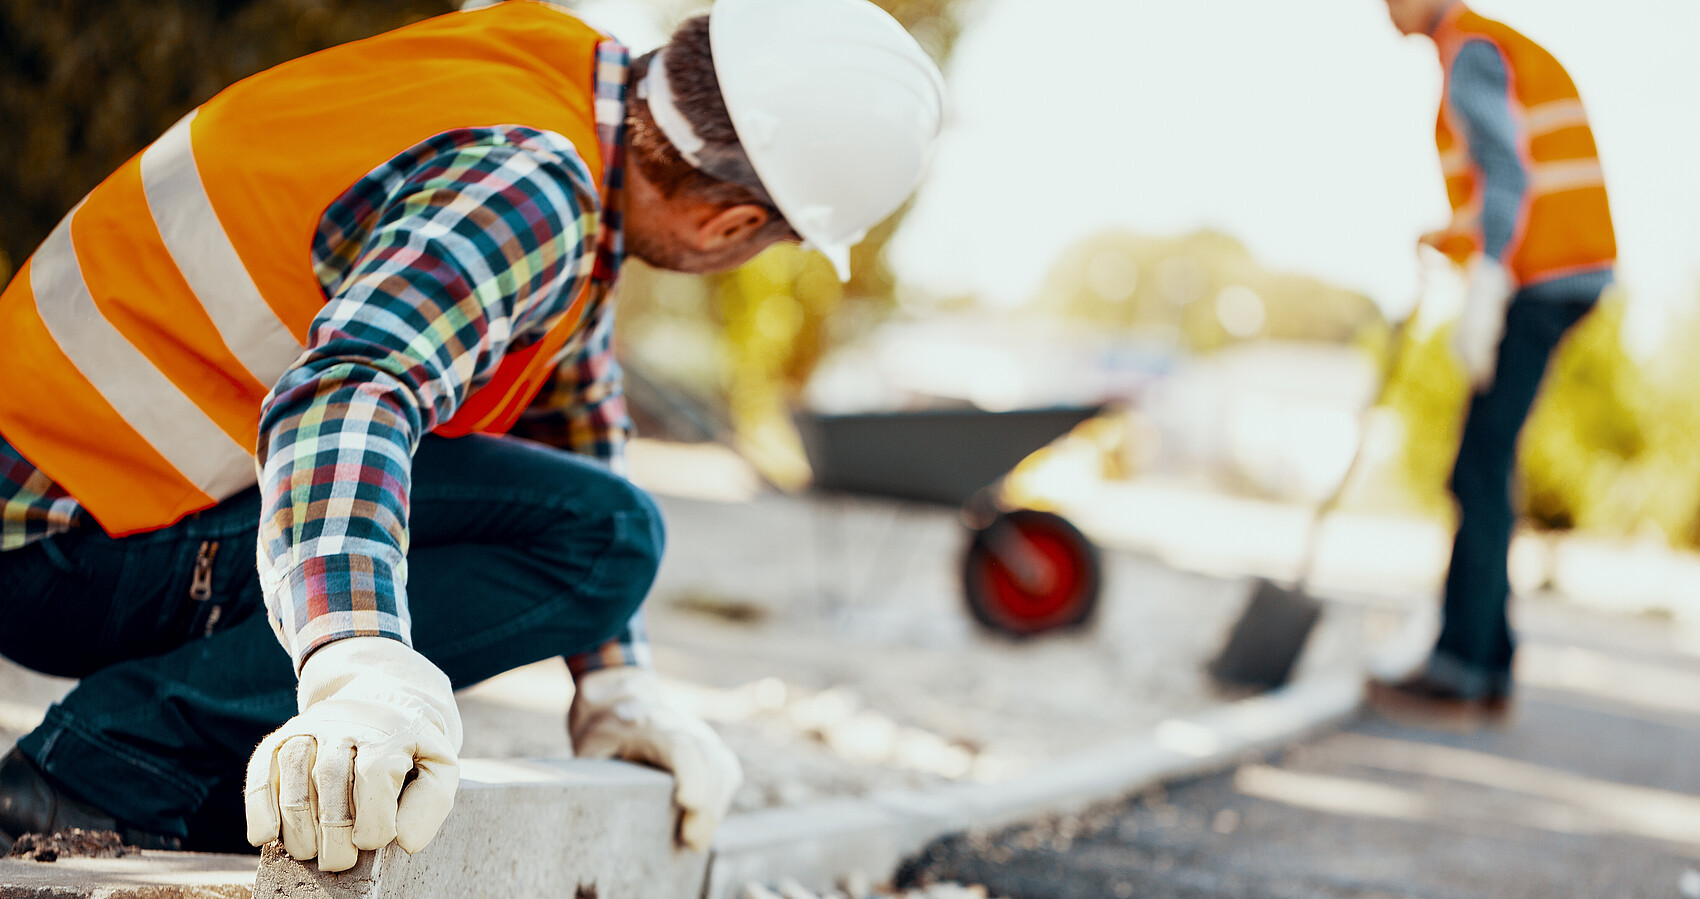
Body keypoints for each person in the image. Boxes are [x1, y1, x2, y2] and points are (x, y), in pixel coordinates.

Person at [0, 0, 945, 870]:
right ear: (731, 222)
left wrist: (619, 687)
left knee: (599, 522)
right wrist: (356, 655)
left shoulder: (555, 87)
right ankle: (105, 767)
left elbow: (577, 422)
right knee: (608, 538)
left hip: (71, 496)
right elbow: (351, 389)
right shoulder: (534, 185)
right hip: (60, 543)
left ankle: (193, 772)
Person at [1368, 0, 1615, 723]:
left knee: (1476, 465)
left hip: (1543, 277)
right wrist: (1452, 238)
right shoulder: (1488, 46)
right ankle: (1489, 663)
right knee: (1487, 459)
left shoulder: (1472, 51)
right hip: (1560, 271)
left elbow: (1508, 176)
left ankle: (1461, 667)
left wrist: (1489, 279)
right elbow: (1499, 189)